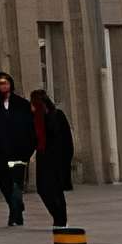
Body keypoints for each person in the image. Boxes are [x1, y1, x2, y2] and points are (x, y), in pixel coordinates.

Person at [0, 71, 37, 227]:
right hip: (1, 151)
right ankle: (16, 205)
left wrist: (29, 149)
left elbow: (31, 128)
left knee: (17, 183)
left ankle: (15, 214)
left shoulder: (22, 104)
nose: (3, 86)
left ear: (10, 85)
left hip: (19, 151)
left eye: (5, 83)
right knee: (2, 180)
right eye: (0, 83)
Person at [30, 88, 76, 229]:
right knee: (43, 189)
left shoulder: (57, 116)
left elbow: (67, 139)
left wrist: (67, 159)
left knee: (56, 190)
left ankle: (61, 220)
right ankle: (58, 217)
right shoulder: (35, 119)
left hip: (57, 157)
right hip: (43, 157)